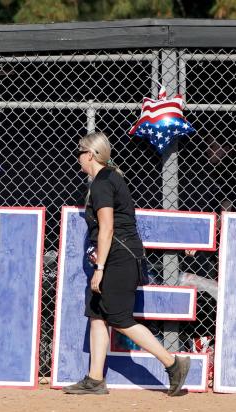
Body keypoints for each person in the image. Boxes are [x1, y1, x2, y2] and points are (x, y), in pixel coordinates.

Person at [62, 132, 189, 396]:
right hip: (117, 256)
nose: (78, 158)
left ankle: (172, 363)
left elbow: (107, 228)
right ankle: (95, 379)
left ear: (90, 155)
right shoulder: (107, 178)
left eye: (80, 153)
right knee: (97, 315)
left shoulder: (102, 183)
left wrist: (100, 269)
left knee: (119, 319)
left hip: (118, 259)